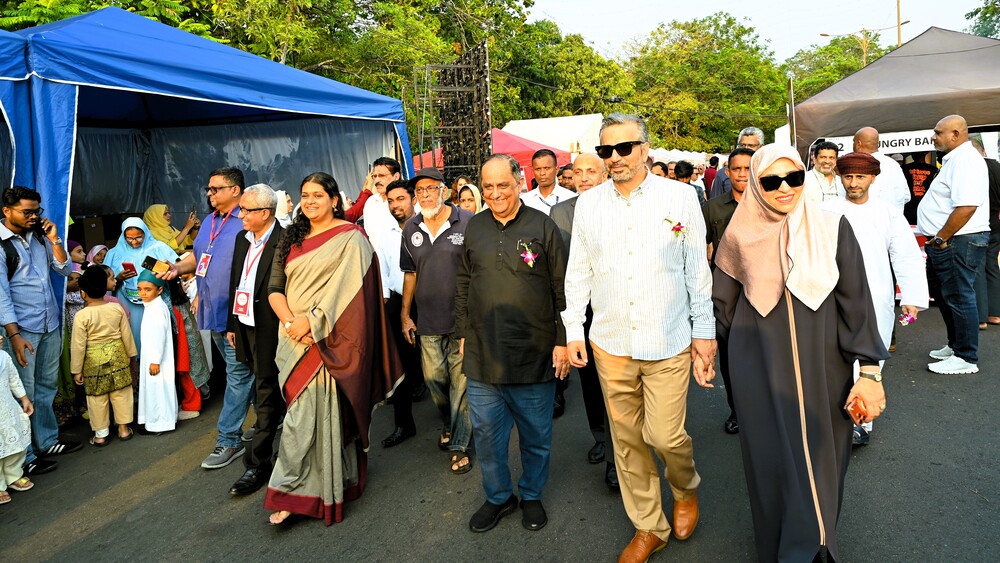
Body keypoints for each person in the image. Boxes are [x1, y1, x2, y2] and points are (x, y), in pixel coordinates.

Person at [713, 143, 889, 562]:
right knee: (771, 460)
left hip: (825, 365)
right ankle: (786, 549)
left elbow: (857, 304)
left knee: (824, 456)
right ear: (755, 185)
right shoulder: (738, 233)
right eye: (770, 181)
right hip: (758, 366)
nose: (784, 188)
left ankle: (817, 543)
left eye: (793, 177)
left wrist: (869, 371)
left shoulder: (832, 227)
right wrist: (727, 358)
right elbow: (724, 304)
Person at [564, 114, 715, 562]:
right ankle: (649, 527)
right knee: (627, 443)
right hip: (610, 342)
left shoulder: (680, 197)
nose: (614, 158)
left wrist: (704, 332)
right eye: (605, 150)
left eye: (624, 148)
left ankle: (684, 489)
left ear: (645, 149)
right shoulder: (589, 204)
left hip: (668, 339)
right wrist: (574, 329)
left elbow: (696, 269)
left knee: (666, 437)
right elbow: (579, 272)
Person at [264, 172, 401, 526]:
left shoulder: (351, 238)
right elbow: (274, 288)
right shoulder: (290, 238)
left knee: (308, 420)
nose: (310, 201)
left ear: (334, 200)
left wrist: (313, 323)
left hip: (329, 340)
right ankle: (319, 486)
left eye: (318, 195)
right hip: (292, 339)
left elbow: (352, 293)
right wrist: (292, 323)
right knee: (301, 415)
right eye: (305, 195)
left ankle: (291, 491)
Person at [456, 153, 570, 533]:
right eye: (487, 186)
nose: (495, 194)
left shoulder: (543, 226)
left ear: (520, 182)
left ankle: (532, 495)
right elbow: (464, 281)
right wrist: (463, 332)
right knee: (488, 439)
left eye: (502, 185)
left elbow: (561, 288)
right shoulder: (474, 227)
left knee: (536, 438)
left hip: (533, 355)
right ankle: (499, 497)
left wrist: (562, 340)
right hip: (483, 355)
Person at [823, 152, 929, 445]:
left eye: (860, 177)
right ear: (840, 177)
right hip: (831, 296)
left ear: (873, 178)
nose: (853, 183)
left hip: (876, 295)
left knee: (870, 360)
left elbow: (906, 256)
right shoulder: (824, 211)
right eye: (848, 176)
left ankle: (861, 423)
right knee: (833, 358)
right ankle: (834, 421)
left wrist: (911, 297)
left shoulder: (888, 213)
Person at [165, 167, 255, 469]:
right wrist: (178, 268)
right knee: (245, 370)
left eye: (216, 188)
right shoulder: (209, 222)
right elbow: (200, 257)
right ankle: (271, 417)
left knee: (238, 375)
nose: (209, 193)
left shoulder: (248, 220)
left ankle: (229, 439)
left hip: (237, 314)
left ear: (235, 190)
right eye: (208, 188)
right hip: (211, 311)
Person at [549, 153, 618, 490]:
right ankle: (602, 437)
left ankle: (621, 454)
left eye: (592, 171)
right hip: (580, 310)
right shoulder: (561, 213)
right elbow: (558, 266)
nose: (584, 177)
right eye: (578, 172)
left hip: (616, 306)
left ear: (605, 174)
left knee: (618, 381)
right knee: (590, 380)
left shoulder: (618, 206)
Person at [400, 168, 475, 474]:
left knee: (460, 383)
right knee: (434, 380)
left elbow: (478, 270)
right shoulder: (411, 228)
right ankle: (449, 421)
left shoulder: (466, 221)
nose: (426, 195)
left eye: (431, 188)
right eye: (420, 191)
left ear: (444, 190)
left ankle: (459, 444)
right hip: (427, 320)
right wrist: (405, 315)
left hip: (462, 319)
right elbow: (410, 274)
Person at [1, 186, 78, 476]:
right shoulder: (2, 245)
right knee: (25, 392)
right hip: (23, 330)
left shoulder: (40, 237)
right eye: (27, 212)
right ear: (7, 211)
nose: (33, 217)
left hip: (49, 322)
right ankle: (26, 455)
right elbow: (1, 295)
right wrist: (14, 336)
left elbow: (64, 270)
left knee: (47, 387)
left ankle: (47, 441)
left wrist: (55, 239)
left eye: (36, 211)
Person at [917, 115, 990, 375]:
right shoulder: (955, 159)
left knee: (959, 297)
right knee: (948, 296)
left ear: (956, 134)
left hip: (957, 240)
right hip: (951, 240)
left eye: (938, 132)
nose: (933, 136)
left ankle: (966, 357)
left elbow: (967, 206)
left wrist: (941, 238)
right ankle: (956, 346)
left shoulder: (965, 160)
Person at [225, 184, 284, 496]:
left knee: (266, 391)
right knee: (266, 390)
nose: (240, 215)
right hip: (245, 324)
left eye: (246, 210)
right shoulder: (241, 239)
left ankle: (258, 463)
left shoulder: (285, 241)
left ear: (265, 212)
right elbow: (237, 282)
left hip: (272, 328)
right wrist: (232, 324)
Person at [701, 147, 753, 435]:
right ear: (727, 172)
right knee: (731, 357)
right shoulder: (713, 208)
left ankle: (765, 409)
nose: (742, 174)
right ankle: (738, 410)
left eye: (748, 168)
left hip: (763, 291)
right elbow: (698, 249)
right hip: (725, 294)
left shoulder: (770, 202)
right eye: (737, 169)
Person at [375, 180, 423, 448]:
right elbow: (382, 272)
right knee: (400, 365)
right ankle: (404, 424)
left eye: (400, 199)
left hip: (427, 302)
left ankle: (453, 422)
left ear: (413, 199)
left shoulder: (427, 227)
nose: (395, 205)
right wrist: (385, 307)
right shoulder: (386, 234)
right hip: (396, 302)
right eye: (391, 201)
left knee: (436, 364)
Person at [70, 266, 137, 446]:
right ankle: (123, 429)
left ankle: (101, 435)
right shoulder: (116, 308)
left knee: (96, 397)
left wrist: (76, 370)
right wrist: (130, 354)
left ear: (83, 293)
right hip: (118, 355)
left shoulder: (81, 315)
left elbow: (78, 345)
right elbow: (126, 334)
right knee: (121, 392)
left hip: (93, 360)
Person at [104, 217, 178, 356]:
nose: (134, 242)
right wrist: (119, 278)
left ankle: (156, 361)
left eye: (138, 237)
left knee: (156, 334)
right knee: (132, 332)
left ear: (145, 233)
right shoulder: (114, 253)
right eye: (129, 238)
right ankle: (136, 362)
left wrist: (160, 269)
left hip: (155, 299)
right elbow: (104, 281)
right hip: (126, 300)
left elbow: (177, 267)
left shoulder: (158, 248)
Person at [136, 270, 177, 434]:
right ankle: (155, 422)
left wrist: (155, 360)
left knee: (158, 390)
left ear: (159, 290)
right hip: (153, 357)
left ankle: (159, 424)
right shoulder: (152, 306)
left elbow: (159, 337)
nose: (143, 293)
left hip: (157, 359)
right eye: (140, 289)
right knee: (156, 389)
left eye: (148, 289)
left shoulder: (157, 309)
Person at [0, 335, 34, 505]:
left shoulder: (3, 357)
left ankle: (13, 475)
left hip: (8, 411)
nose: (0, 337)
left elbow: (14, 379)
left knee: (15, 445)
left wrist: (24, 398)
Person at [971, 139, 1000, 328]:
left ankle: (980, 317)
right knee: (992, 265)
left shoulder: (970, 168)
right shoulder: (996, 167)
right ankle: (995, 313)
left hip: (977, 221)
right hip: (996, 221)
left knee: (977, 267)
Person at [853, 128, 911, 212]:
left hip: (869, 216)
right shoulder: (893, 164)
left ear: (859, 143)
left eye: (853, 142)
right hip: (894, 217)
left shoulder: (859, 165)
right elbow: (906, 196)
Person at [521, 149, 576, 215]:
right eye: (538, 169)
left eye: (547, 168)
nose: (542, 173)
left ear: (556, 170)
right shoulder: (524, 201)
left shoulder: (571, 198)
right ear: (533, 170)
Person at [361, 157, 404, 238]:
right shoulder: (370, 202)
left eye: (382, 176)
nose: (377, 180)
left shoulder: (408, 201)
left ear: (396, 176)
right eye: (374, 176)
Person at [901, 151, 938, 224]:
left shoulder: (904, 169)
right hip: (927, 209)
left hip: (909, 209)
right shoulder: (934, 170)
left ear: (913, 155)